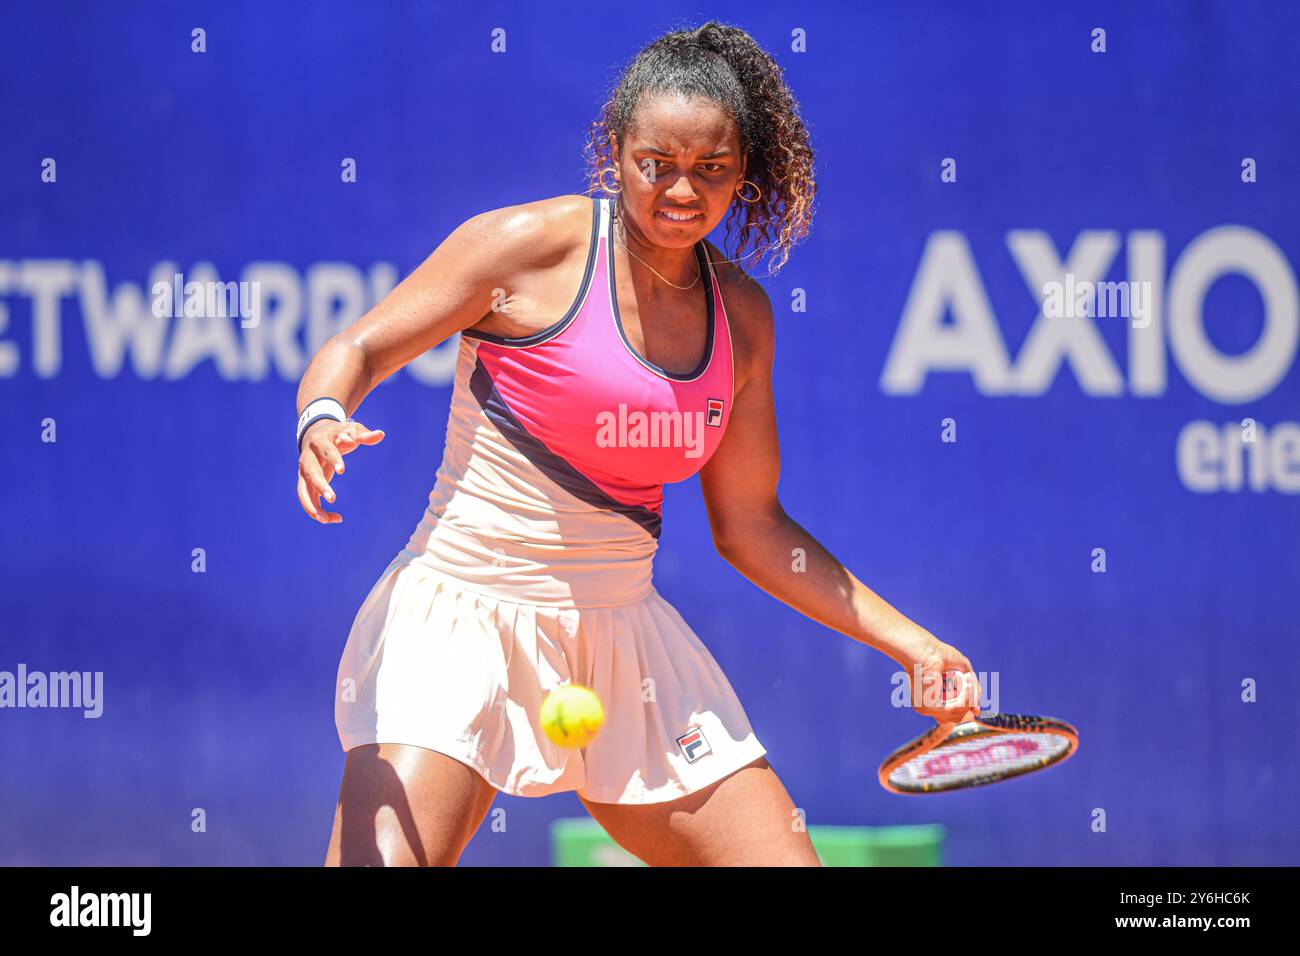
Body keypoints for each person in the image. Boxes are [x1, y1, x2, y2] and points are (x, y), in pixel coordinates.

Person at [298, 21, 979, 867]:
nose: (682, 190)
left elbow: (752, 526)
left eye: (712, 169)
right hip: (458, 619)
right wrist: (322, 414)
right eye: (657, 163)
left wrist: (910, 642)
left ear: (745, 175)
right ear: (615, 151)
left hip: (627, 643)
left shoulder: (744, 319)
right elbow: (359, 348)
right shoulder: (523, 250)